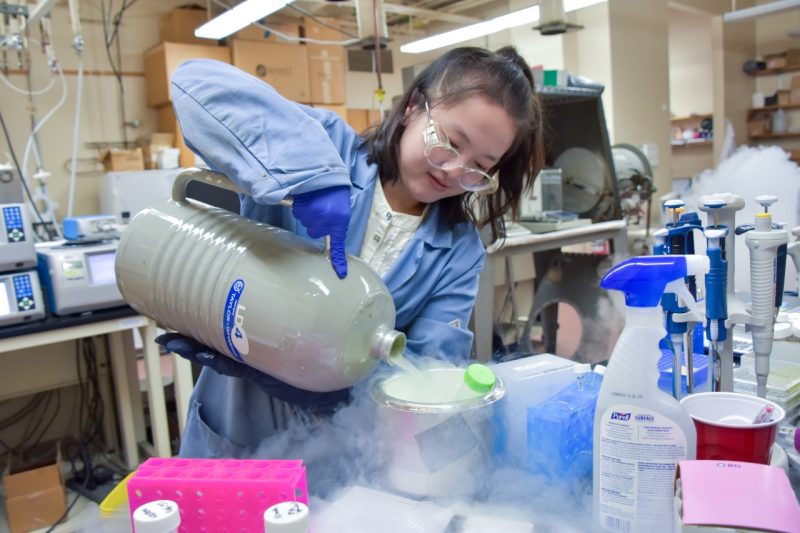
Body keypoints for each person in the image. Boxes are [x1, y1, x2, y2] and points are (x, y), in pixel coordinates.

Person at [159, 46, 544, 458]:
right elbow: (193, 83)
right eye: (449, 142)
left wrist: (322, 390)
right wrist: (310, 175)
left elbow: (424, 371)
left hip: (338, 453)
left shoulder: (459, 251)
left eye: (479, 166)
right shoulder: (324, 146)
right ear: (414, 106)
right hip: (236, 428)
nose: (453, 171)